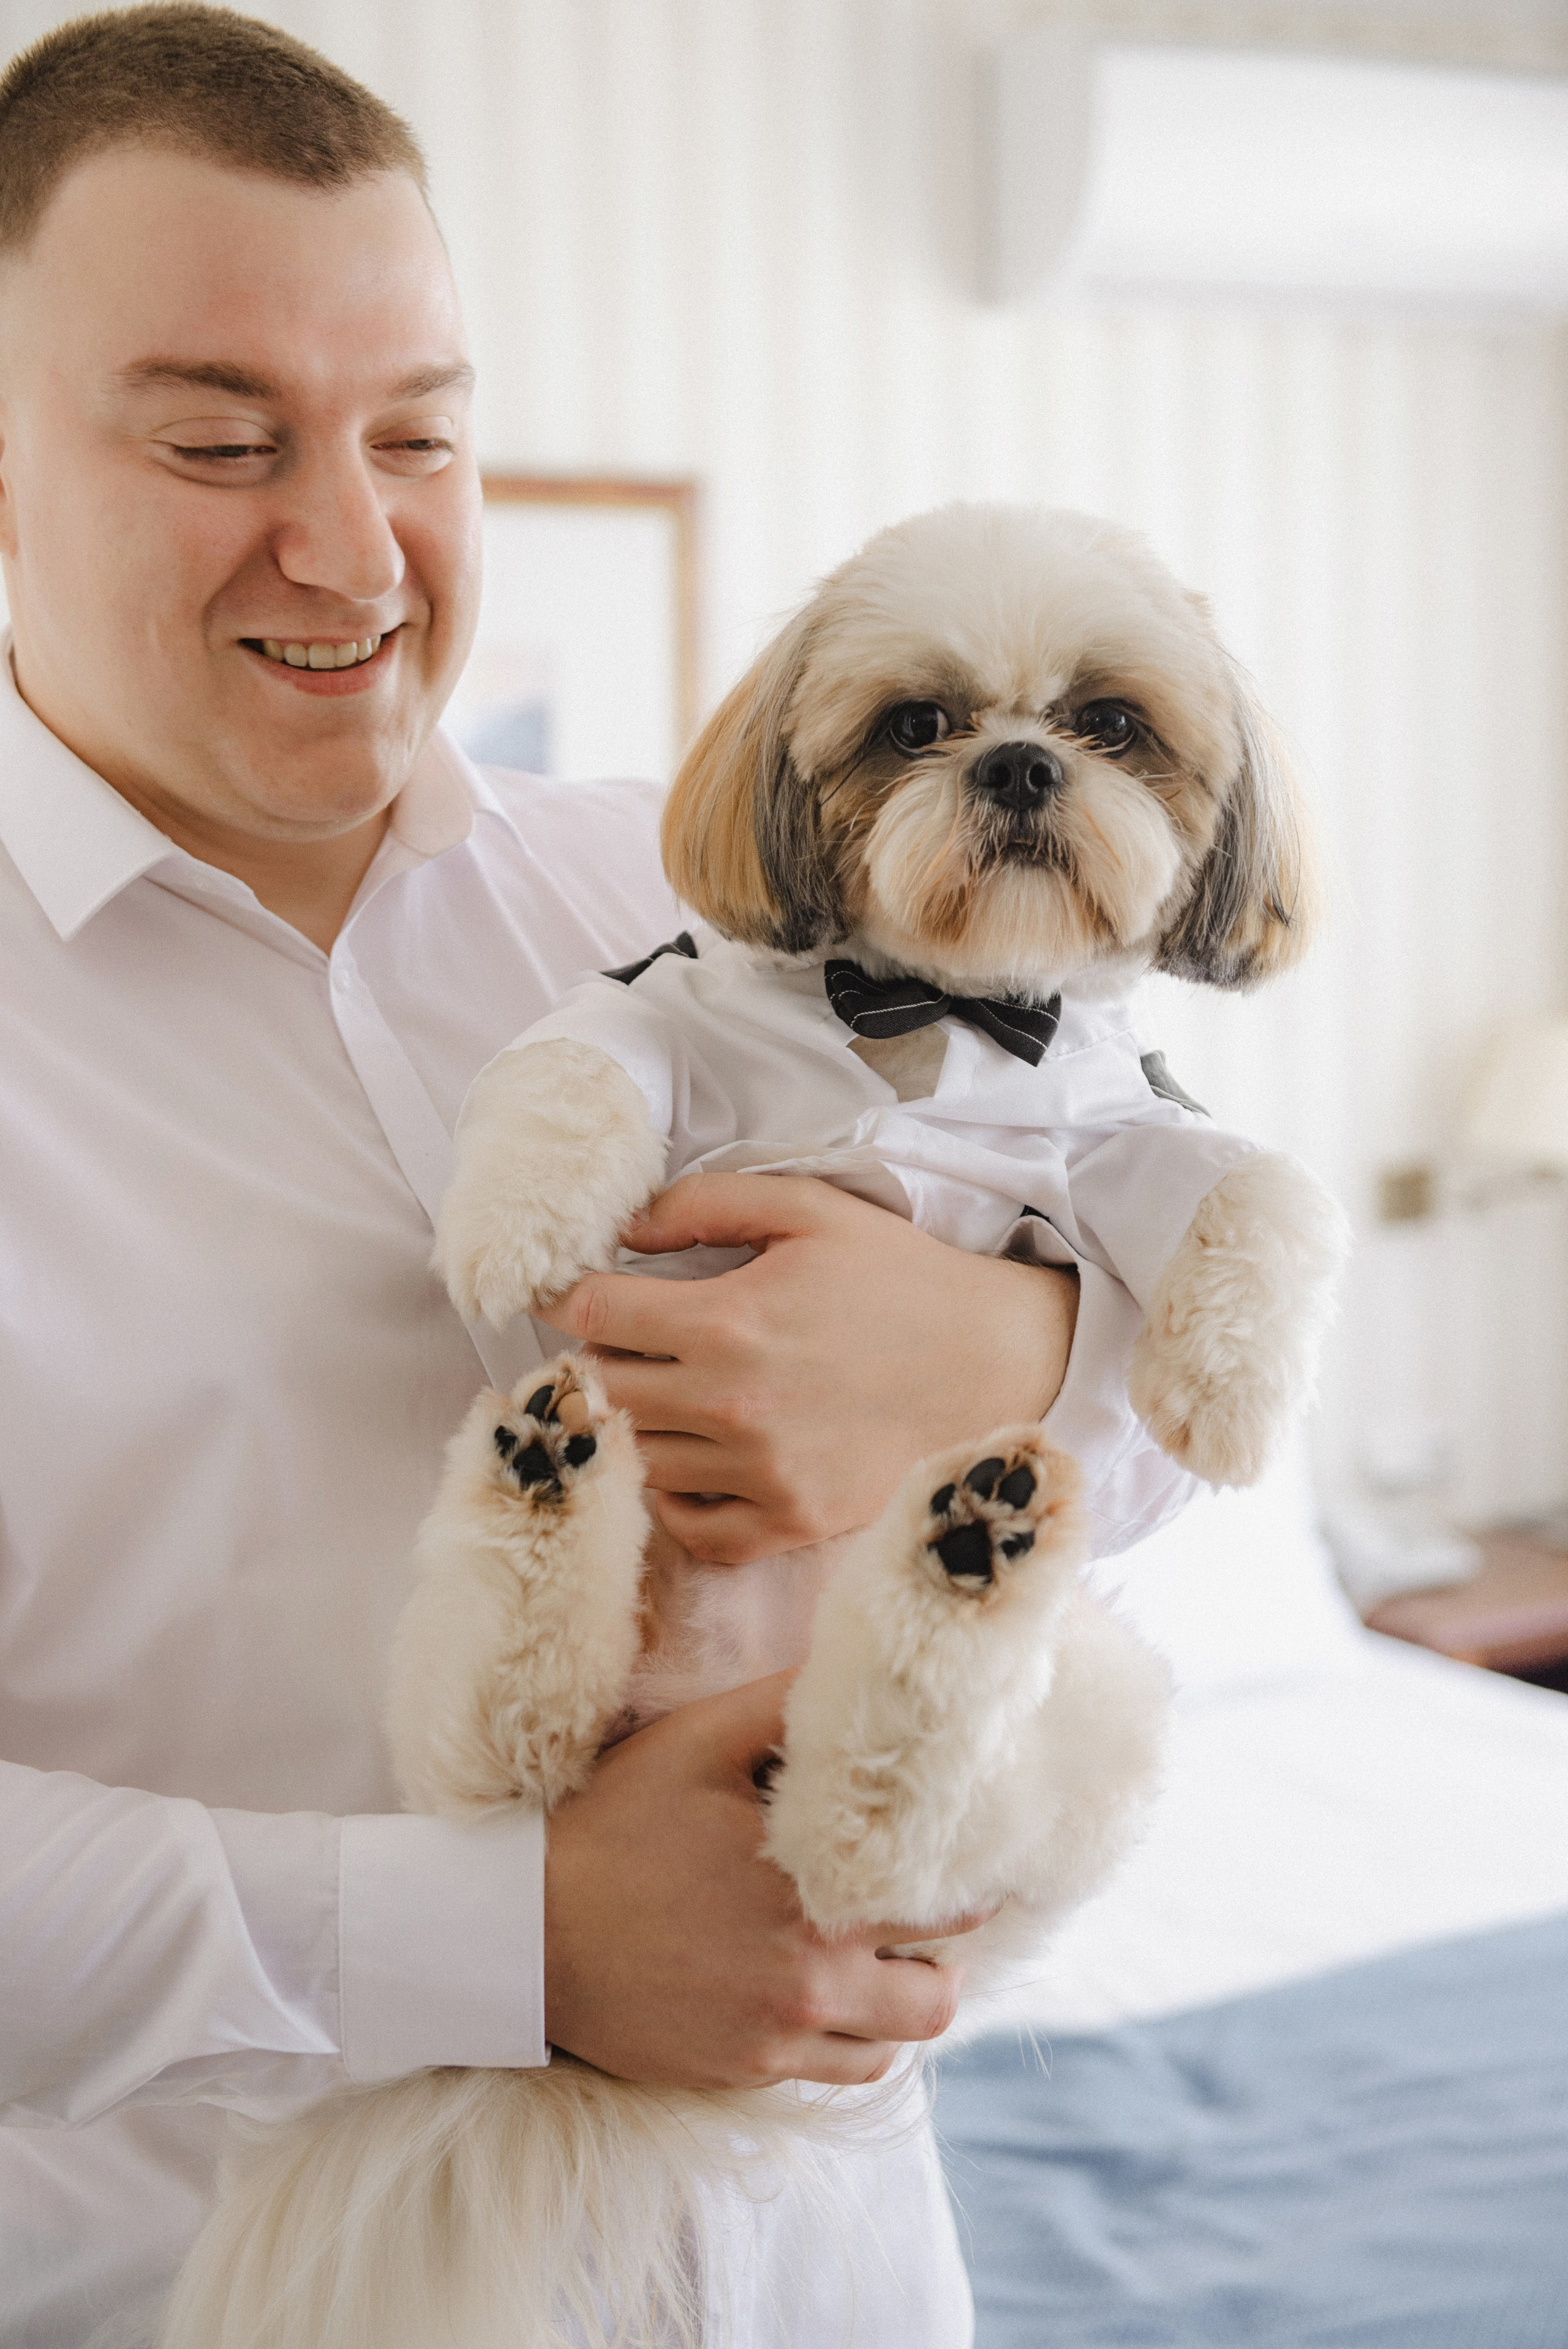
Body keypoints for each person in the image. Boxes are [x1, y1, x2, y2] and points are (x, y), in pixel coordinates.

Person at [0, 9, 1194, 2342]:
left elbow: (1184, 1414)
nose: (351, 545)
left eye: (424, 436)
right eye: (225, 439)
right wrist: (513, 1937)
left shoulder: (721, 901)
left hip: (838, 2273)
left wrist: (1020, 1345)